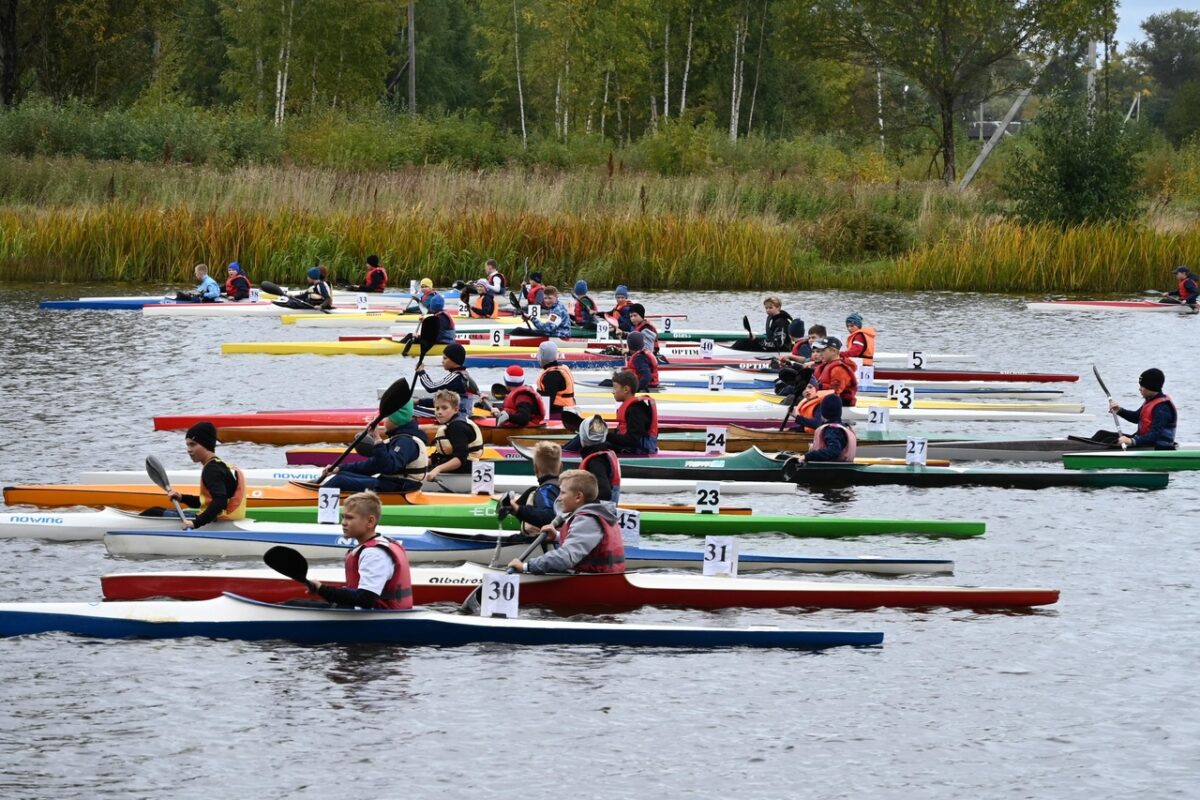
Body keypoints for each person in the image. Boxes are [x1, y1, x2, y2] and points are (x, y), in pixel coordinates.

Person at [305, 491, 413, 610]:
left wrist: (322, 589)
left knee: (295, 604)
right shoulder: (378, 545)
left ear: (370, 521)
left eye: (350, 518)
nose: (344, 523)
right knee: (298, 603)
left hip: (378, 620)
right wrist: (321, 589)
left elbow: (365, 599)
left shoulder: (374, 554)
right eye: (343, 517)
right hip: (372, 614)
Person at [507, 470, 624, 575]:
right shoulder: (597, 513)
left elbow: (565, 557)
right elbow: (588, 540)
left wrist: (527, 566)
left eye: (562, 493)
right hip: (600, 578)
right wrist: (557, 536)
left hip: (596, 584)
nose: (559, 498)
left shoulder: (587, 520)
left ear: (578, 497)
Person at [166, 421, 247, 530]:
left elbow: (220, 501)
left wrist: (195, 523)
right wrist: (182, 497)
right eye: (187, 445)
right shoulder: (218, 464)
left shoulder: (211, 470)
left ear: (206, 444)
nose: (189, 450)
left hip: (217, 521)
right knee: (157, 510)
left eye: (193, 444)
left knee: (153, 512)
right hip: (220, 518)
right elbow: (208, 502)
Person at [319, 414, 428, 494]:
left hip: (401, 488)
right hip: (391, 483)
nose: (384, 420)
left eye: (387, 417)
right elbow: (371, 466)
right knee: (341, 476)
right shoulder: (398, 439)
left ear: (396, 420)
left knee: (340, 481)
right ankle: (319, 492)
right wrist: (339, 468)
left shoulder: (405, 442)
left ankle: (313, 501)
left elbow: (389, 466)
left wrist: (377, 439)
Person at [497, 441, 562, 533]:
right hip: (553, 539)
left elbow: (549, 517)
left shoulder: (546, 490)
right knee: (531, 491)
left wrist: (518, 510)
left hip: (539, 542)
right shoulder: (565, 487)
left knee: (479, 537)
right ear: (561, 467)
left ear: (535, 468)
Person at [1108, 368, 1177, 449]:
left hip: (1157, 447)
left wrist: (1132, 441)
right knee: (1103, 435)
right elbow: (1136, 417)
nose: (1139, 389)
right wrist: (1119, 410)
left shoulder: (1162, 408)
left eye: (1142, 386)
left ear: (1152, 387)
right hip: (1145, 442)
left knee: (1110, 442)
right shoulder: (1151, 400)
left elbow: (1155, 435)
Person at [426, 390, 485, 480]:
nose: (439, 412)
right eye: (437, 408)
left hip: (465, 468)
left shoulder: (457, 426)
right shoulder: (451, 424)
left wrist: (437, 469)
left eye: (444, 408)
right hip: (459, 465)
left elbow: (460, 459)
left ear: (456, 409)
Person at [416, 342, 478, 414]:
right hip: (462, 413)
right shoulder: (464, 374)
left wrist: (421, 372)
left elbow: (430, 387)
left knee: (412, 411)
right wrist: (418, 402)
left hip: (457, 417)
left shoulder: (455, 377)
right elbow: (441, 402)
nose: (442, 361)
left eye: (445, 358)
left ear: (454, 360)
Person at [607, 369, 659, 455]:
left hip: (638, 450)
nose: (613, 392)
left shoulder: (636, 410)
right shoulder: (631, 407)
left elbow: (632, 440)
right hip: (631, 446)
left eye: (615, 387)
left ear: (626, 389)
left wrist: (606, 435)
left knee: (595, 445)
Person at [803, 336, 858, 406]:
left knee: (793, 398)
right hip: (824, 398)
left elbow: (835, 392)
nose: (820, 353)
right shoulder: (826, 365)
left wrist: (817, 387)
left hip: (837, 403)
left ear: (833, 351)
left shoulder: (838, 369)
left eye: (823, 350)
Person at [578, 414, 621, 503]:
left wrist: (579, 497)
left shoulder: (596, 462)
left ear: (583, 437)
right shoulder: (603, 454)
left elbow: (605, 493)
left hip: (598, 513)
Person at [802, 395, 858, 462]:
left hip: (830, 470)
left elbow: (834, 450)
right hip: (846, 469)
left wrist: (808, 456)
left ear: (824, 412)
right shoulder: (843, 427)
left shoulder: (832, 430)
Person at [535, 341, 576, 419]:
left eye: (539, 353)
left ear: (543, 356)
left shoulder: (551, 375)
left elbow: (547, 403)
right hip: (568, 411)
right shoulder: (561, 369)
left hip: (558, 415)